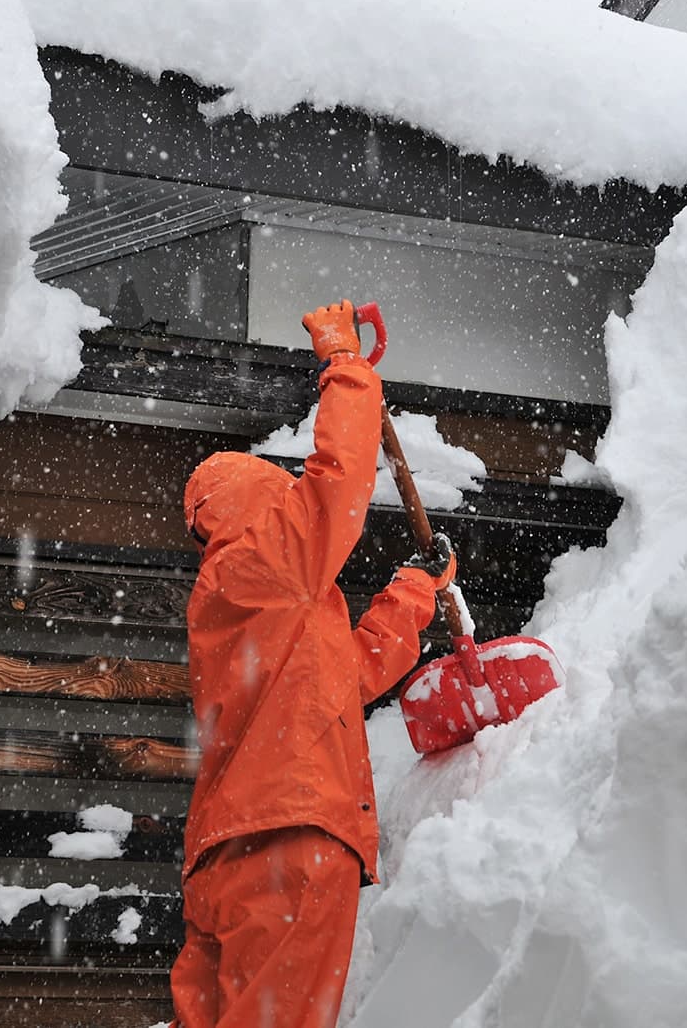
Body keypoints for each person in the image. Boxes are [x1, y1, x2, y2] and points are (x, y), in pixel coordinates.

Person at [170, 300, 457, 1028]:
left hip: (228, 861)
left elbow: (351, 674)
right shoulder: (262, 560)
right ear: (264, 502)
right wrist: (346, 365)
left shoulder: (255, 599)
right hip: (288, 846)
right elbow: (340, 479)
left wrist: (415, 590)